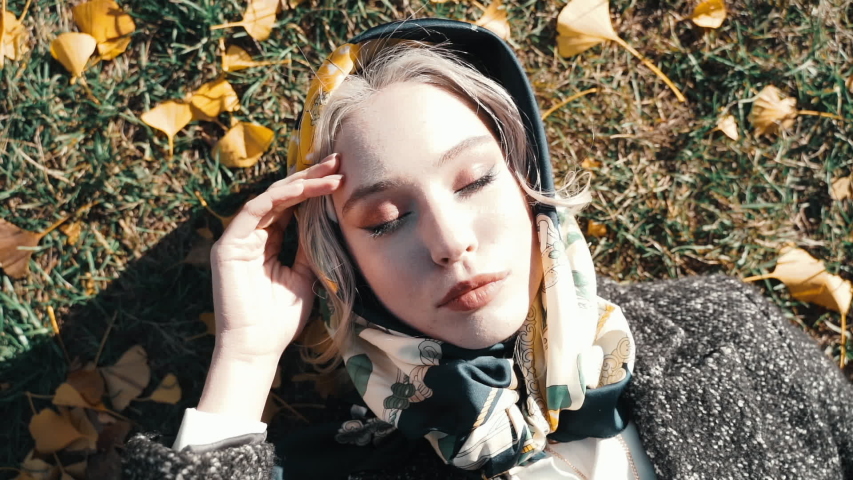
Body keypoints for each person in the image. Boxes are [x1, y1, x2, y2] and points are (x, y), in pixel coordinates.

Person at [120, 19, 853, 480]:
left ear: (527, 179)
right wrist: (245, 358)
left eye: (471, 181)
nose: (449, 242)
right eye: (382, 220)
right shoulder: (331, 468)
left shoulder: (722, 332)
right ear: (343, 264)